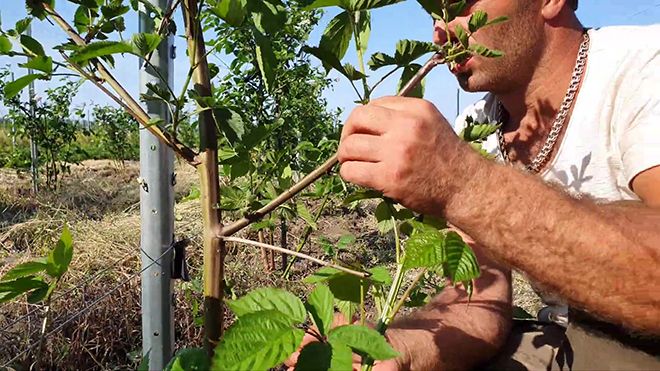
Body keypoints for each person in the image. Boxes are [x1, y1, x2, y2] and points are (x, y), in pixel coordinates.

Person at [329, 0, 659, 369]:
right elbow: (477, 303)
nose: (440, 31)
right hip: (571, 340)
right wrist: (397, 351)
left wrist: (462, 183)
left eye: (459, 5)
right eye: (433, 14)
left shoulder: (646, 67)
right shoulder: (477, 127)